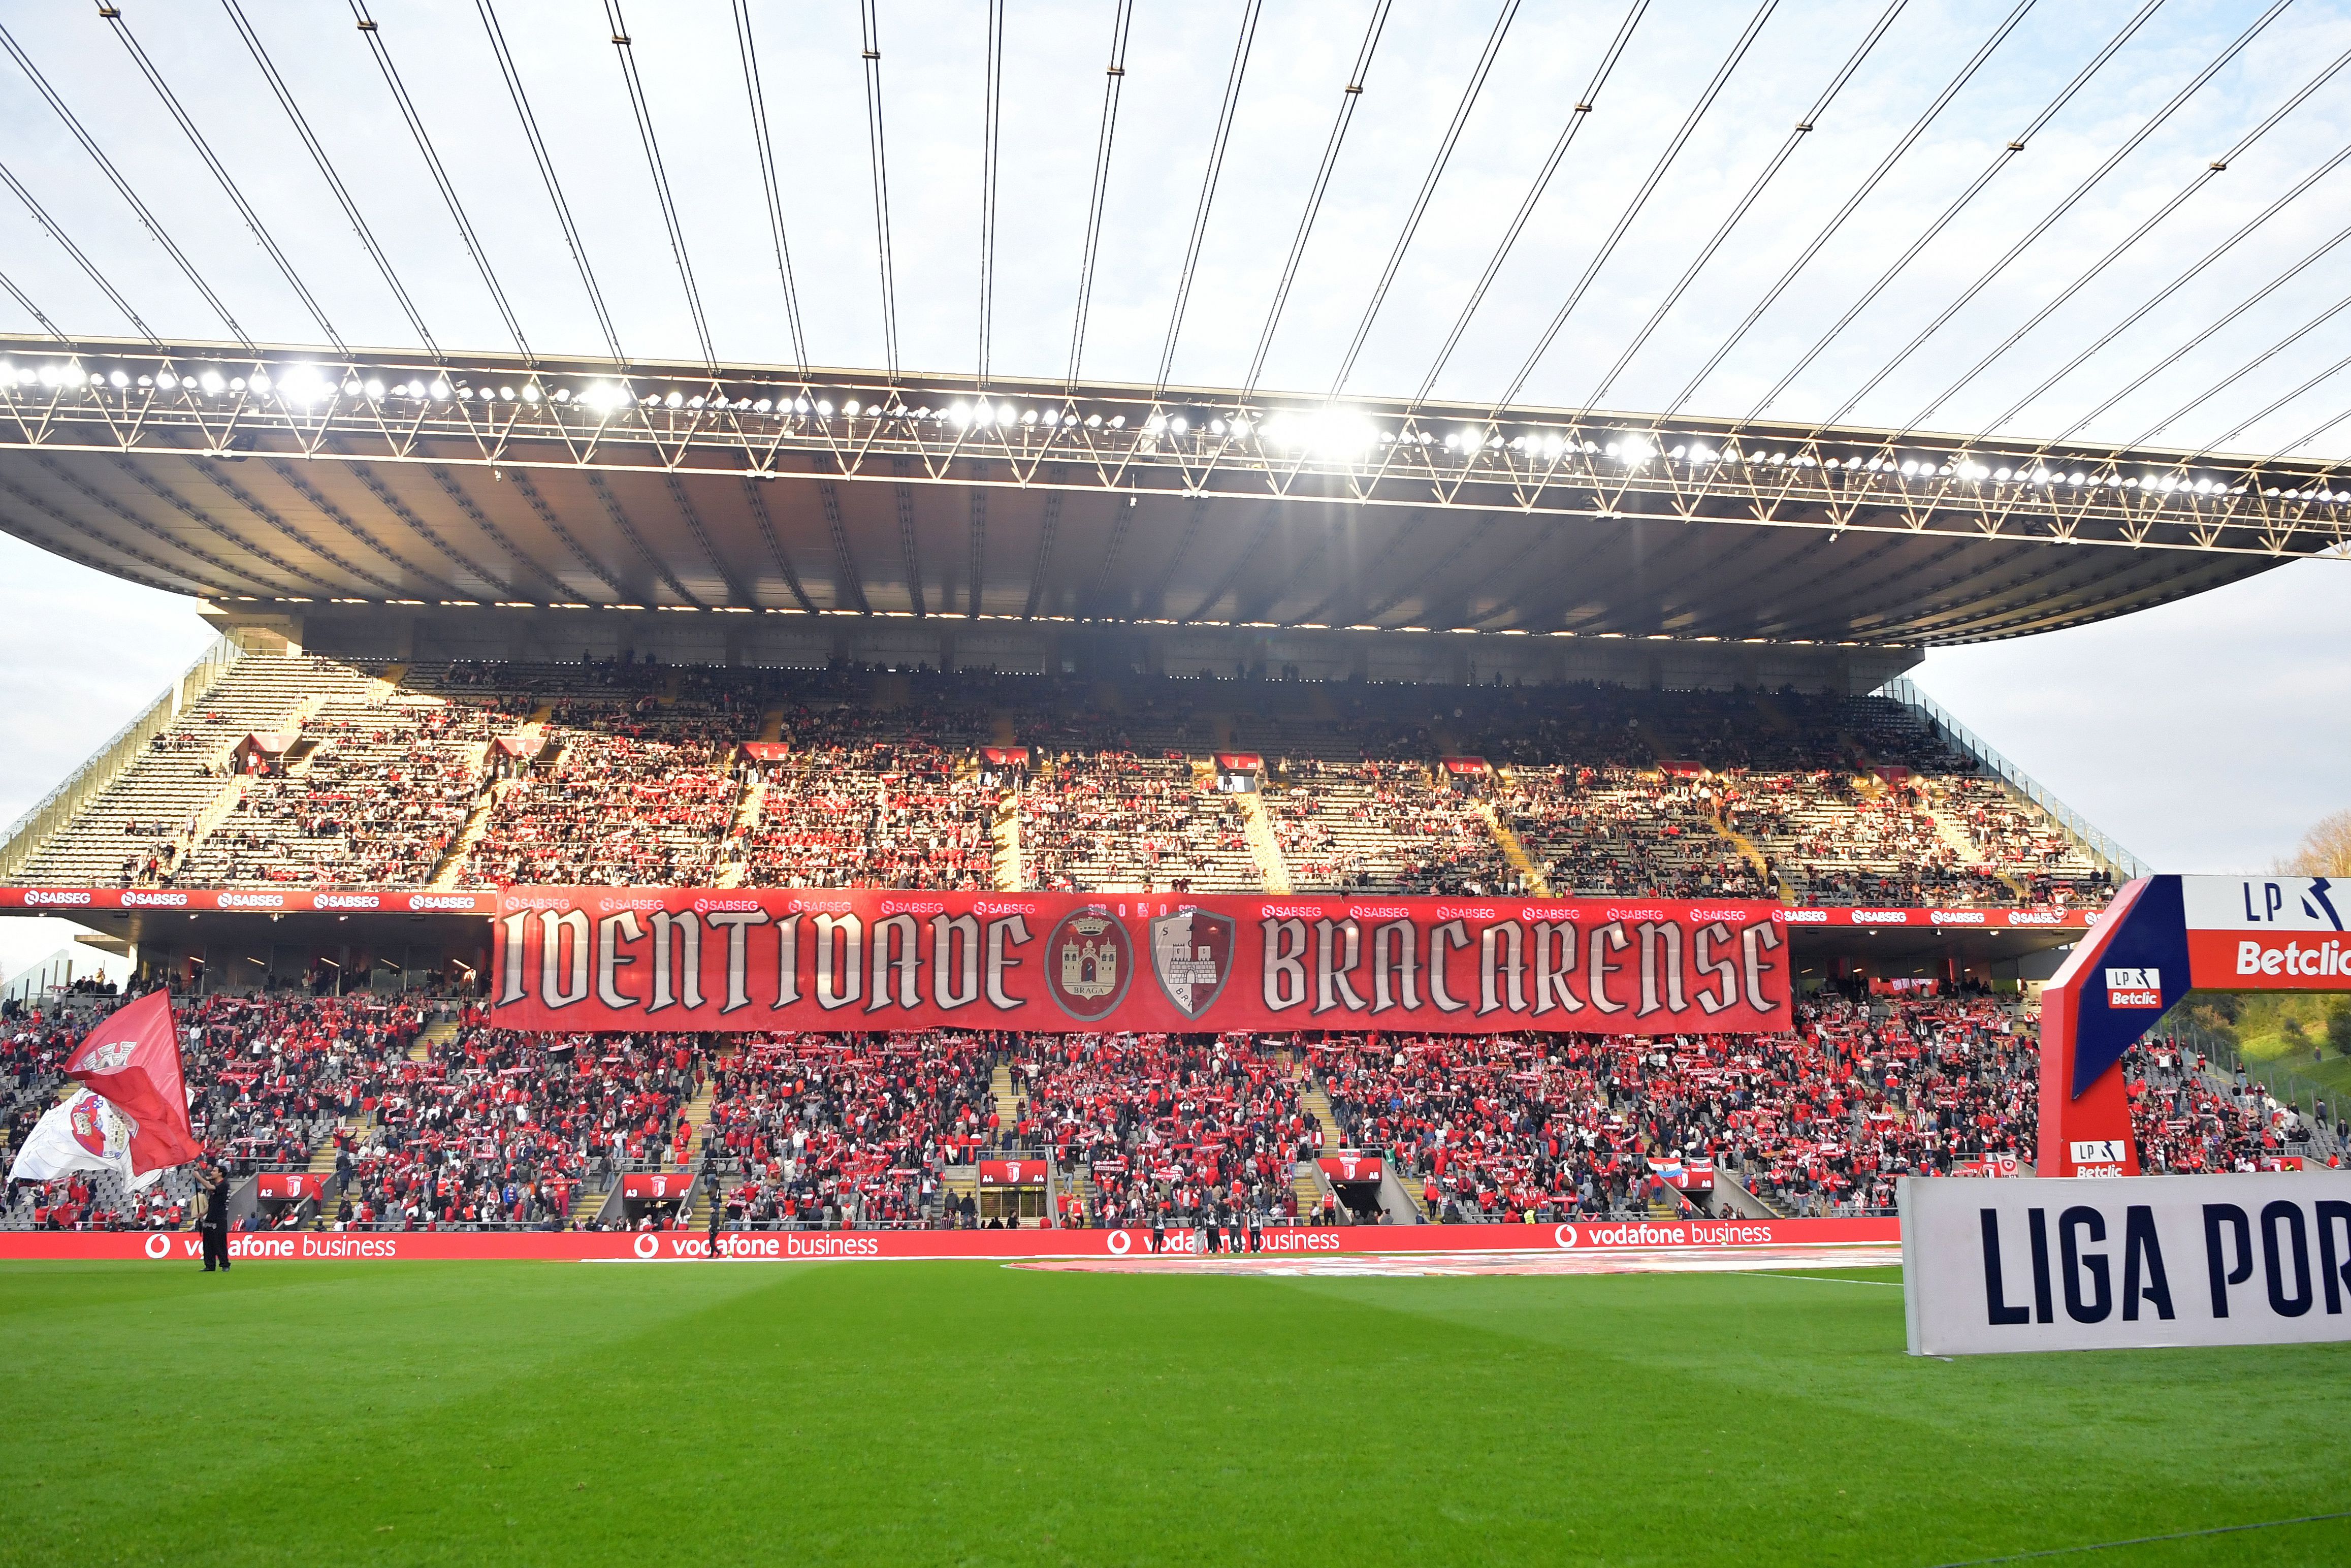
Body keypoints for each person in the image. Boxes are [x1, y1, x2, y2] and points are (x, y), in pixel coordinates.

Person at [196, 1161, 230, 1273]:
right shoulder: (216, 1186)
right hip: (210, 1217)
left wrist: (198, 1176)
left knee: (220, 1243)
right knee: (208, 1244)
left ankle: (225, 1264)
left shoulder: (224, 1185)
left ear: (220, 1174)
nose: (212, 1172)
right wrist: (203, 1213)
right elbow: (212, 1203)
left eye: (215, 1171)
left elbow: (208, 1186)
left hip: (219, 1218)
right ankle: (210, 1265)